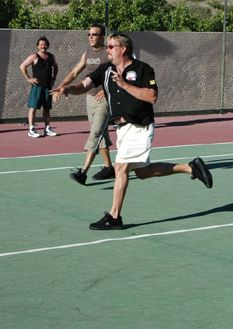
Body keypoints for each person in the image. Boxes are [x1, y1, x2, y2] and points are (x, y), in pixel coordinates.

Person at [52, 33, 213, 230]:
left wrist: (123, 84)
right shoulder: (105, 70)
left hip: (139, 126)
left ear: (123, 48)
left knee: (120, 167)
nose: (107, 49)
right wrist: (67, 88)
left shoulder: (143, 69)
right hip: (122, 129)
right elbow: (84, 85)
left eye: (111, 46)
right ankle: (191, 167)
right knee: (143, 172)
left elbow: (152, 96)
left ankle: (114, 216)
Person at [55, 24, 115, 184]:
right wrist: (62, 87)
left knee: (95, 134)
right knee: (101, 134)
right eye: (89, 34)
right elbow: (75, 72)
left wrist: (108, 90)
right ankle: (109, 168)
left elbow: (121, 71)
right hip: (90, 98)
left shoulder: (109, 53)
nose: (90, 37)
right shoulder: (87, 54)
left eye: (94, 34)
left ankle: (83, 172)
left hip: (104, 100)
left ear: (102, 36)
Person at [20, 36, 58, 138]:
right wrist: (29, 78)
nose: (43, 46)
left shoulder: (51, 57)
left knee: (47, 109)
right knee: (33, 108)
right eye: (41, 45)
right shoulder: (34, 56)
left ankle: (47, 128)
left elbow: (56, 66)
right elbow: (22, 66)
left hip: (48, 87)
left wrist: (54, 79)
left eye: (45, 44)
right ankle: (31, 129)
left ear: (48, 46)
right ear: (38, 46)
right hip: (37, 87)